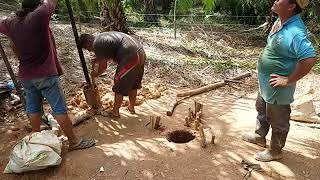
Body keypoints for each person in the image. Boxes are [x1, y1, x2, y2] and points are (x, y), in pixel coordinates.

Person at [0, 0, 95, 150]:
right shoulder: (39, 16)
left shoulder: (10, 23)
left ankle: (37, 140)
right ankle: (74, 142)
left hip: (26, 75)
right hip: (45, 74)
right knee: (59, 109)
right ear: (36, 6)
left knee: (33, 107)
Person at [242, 0, 317, 162]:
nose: (275, 0)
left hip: (278, 87)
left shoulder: (296, 31)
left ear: (291, 7)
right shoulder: (281, 20)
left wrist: (288, 80)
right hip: (266, 82)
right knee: (261, 109)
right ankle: (259, 137)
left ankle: (275, 151)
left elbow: (309, 59)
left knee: (278, 120)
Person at [79, 31, 146, 118]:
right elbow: (112, 53)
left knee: (118, 82)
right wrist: (98, 58)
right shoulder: (103, 38)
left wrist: (95, 74)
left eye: (87, 48)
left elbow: (103, 67)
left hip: (131, 56)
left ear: (88, 42)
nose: (90, 50)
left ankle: (115, 113)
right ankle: (131, 107)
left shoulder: (97, 44)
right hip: (140, 53)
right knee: (133, 83)